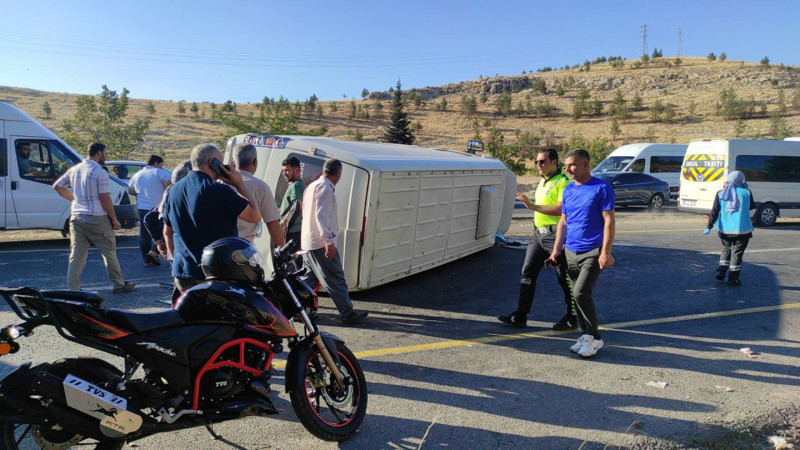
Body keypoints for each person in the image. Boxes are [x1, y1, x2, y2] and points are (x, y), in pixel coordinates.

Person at [162, 143, 261, 300]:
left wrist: (177, 260)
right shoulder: (218, 190)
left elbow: (167, 232)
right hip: (214, 274)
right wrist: (239, 183)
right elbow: (255, 216)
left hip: (182, 273)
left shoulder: (174, 190)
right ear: (212, 162)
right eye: (221, 162)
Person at [498, 148, 575, 330]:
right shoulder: (542, 182)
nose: (538, 165)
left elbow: (560, 209)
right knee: (528, 273)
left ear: (554, 162)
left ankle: (572, 317)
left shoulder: (562, 182)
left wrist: (532, 206)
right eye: (536, 162)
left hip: (555, 235)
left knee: (564, 277)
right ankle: (521, 315)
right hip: (538, 235)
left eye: (542, 161)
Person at [549, 148, 615, 358]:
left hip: (593, 251)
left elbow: (609, 221)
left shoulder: (601, 188)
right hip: (570, 251)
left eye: (572, 165)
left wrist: (606, 251)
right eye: (566, 165)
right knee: (578, 296)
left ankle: (595, 337)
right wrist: (556, 249)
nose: (567, 169)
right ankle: (586, 334)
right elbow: (563, 221)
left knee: (581, 293)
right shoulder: (568, 190)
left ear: (586, 164)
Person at [53, 142, 136, 294]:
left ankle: (73, 288)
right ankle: (118, 284)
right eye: (105, 152)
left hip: (77, 216)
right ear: (98, 153)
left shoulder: (75, 169)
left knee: (77, 254)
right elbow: (104, 198)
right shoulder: (99, 172)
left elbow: (58, 186)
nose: (105, 155)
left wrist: (74, 200)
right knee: (109, 251)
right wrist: (115, 219)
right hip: (96, 217)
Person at [301, 159, 369, 324]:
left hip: (309, 241)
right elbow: (321, 216)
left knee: (308, 280)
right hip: (320, 242)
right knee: (335, 277)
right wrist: (329, 241)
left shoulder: (312, 186)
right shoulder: (325, 189)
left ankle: (299, 310)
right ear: (337, 174)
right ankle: (347, 312)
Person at [703, 171, 755, 286]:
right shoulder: (746, 192)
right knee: (737, 253)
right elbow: (751, 207)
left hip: (724, 229)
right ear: (742, 180)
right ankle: (733, 279)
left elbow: (714, 212)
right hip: (742, 230)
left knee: (726, 249)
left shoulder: (720, 193)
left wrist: (709, 226)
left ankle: (721, 272)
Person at [231, 143, 285, 247]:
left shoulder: (220, 183)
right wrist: (282, 247)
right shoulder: (261, 187)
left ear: (234, 162)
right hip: (244, 247)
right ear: (255, 162)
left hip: (219, 245)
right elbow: (272, 225)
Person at [144, 160, 192, 261]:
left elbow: (149, 218)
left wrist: (158, 241)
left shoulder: (170, 191)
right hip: (186, 246)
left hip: (173, 246)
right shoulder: (185, 192)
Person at [128, 155, 172, 266]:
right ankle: (154, 252)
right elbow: (169, 187)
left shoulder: (137, 175)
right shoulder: (160, 173)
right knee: (162, 231)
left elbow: (131, 191)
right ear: (156, 163)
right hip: (158, 207)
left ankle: (146, 259)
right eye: (161, 164)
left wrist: (142, 193)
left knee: (144, 234)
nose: (161, 167)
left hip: (142, 207)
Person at [280, 156, 304, 246]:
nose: (284, 173)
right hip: (295, 231)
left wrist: (283, 224)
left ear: (297, 170)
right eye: (283, 171)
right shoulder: (297, 184)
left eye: (287, 170)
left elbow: (297, 206)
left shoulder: (296, 186)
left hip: (293, 232)